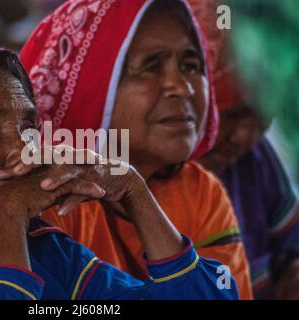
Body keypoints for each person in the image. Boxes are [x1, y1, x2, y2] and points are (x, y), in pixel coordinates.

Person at [0, 40, 238, 300]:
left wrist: (136, 194)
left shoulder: (45, 253)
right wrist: (4, 219)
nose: (23, 149)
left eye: (29, 128)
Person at [19, 0, 252, 299]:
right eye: (151, 67)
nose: (182, 87)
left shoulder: (200, 192)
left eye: (191, 65)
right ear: (90, 84)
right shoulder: (49, 196)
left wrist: (135, 192)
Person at [198, 69, 299, 299]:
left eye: (262, 116)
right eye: (231, 116)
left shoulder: (255, 158)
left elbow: (291, 241)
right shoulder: (144, 185)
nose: (245, 136)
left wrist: (293, 270)